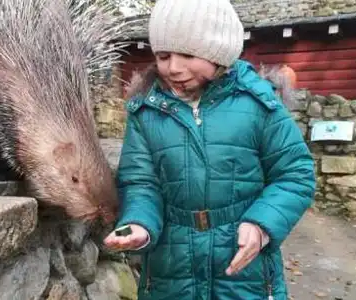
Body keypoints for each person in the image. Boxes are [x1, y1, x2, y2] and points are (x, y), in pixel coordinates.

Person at [103, 0, 316, 299]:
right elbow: (139, 182)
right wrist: (139, 222)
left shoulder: (259, 105)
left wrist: (260, 224)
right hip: (170, 270)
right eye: (163, 56)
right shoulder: (145, 113)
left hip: (244, 272)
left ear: (219, 54)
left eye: (188, 55)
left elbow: (295, 174)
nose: (173, 68)